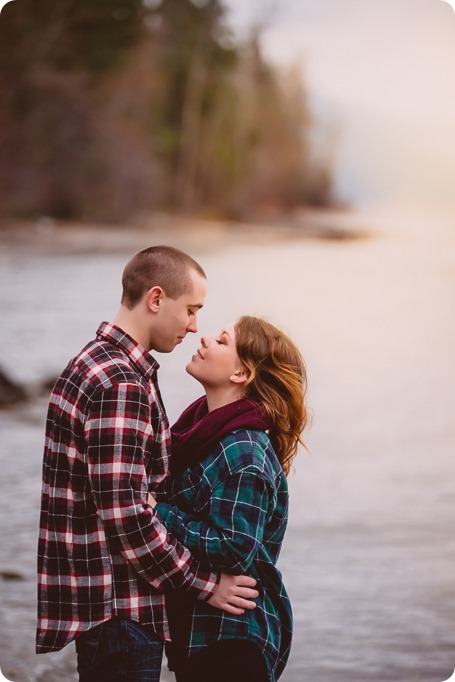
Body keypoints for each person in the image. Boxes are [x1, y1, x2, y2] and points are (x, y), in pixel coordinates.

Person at [36, 246, 258, 682]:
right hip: (120, 610)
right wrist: (206, 584)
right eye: (191, 310)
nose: (195, 326)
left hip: (107, 607)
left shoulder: (95, 362)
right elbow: (127, 516)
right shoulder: (121, 383)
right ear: (156, 299)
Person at [149, 315, 309, 682]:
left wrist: (161, 512)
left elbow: (235, 548)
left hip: (233, 642)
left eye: (222, 341)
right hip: (203, 636)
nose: (204, 339)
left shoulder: (244, 453)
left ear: (241, 374)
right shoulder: (203, 432)